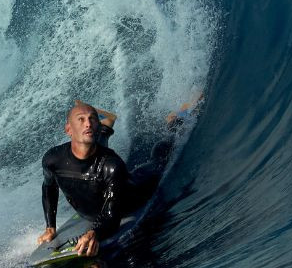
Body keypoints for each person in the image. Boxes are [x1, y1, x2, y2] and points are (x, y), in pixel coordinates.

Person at [36, 97, 190, 257]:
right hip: (95, 187)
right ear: (68, 130)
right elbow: (49, 186)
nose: (88, 123)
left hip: (134, 193)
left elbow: (113, 214)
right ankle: (107, 122)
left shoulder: (111, 165)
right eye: (81, 120)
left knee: (158, 160)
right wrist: (50, 227)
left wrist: (94, 233)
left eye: (92, 119)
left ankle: (175, 122)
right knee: (89, 147)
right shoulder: (52, 159)